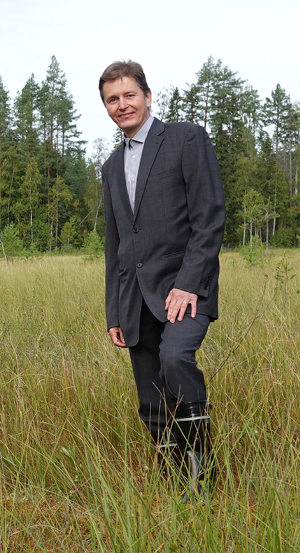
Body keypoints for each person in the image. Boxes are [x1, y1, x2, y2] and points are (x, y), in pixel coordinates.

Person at [99, 60, 225, 497]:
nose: (122, 105)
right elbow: (117, 245)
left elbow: (209, 219)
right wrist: (115, 311)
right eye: (112, 99)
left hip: (185, 289)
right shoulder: (112, 166)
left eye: (129, 95)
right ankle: (174, 484)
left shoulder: (187, 138)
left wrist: (189, 283)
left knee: (176, 359)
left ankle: (201, 477)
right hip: (135, 299)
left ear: (147, 97)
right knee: (151, 400)